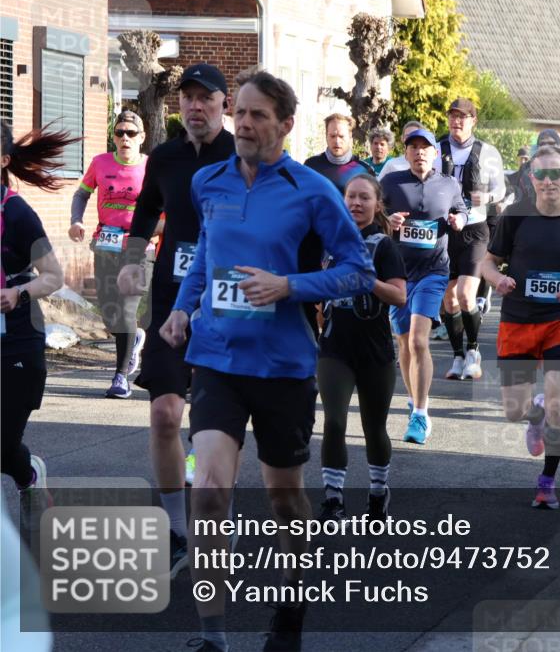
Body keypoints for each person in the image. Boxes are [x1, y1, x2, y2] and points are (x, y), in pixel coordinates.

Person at [159, 69, 375, 652]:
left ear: (285, 124)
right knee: (208, 490)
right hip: (217, 359)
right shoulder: (211, 182)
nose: (247, 124)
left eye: (259, 116)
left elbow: (358, 270)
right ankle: (213, 636)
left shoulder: (313, 190)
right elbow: (205, 256)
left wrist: (289, 286)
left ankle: (291, 611)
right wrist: (183, 308)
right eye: (242, 114)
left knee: (285, 499)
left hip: (283, 366)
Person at [118, 63, 236, 579]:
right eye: (187, 97)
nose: (194, 106)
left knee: (214, 428)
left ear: (223, 104)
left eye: (204, 98)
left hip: (228, 304)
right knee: (165, 414)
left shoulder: (242, 155)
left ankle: (217, 527)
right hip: (169, 300)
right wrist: (132, 258)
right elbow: (146, 211)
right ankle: (177, 529)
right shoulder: (162, 157)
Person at [482, 145, 560, 509]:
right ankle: (533, 415)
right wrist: (497, 281)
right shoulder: (515, 215)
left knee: (559, 403)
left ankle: (547, 481)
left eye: (557, 174)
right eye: (542, 174)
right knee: (514, 409)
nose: (549, 181)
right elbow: (488, 264)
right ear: (531, 178)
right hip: (518, 320)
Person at [317, 175, 406, 523]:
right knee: (335, 421)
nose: (356, 203)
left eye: (364, 198)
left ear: (377, 204)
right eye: (351, 197)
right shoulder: (329, 242)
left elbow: (399, 295)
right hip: (335, 348)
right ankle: (333, 499)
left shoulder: (384, 246)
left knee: (374, 428)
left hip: (375, 350)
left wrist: (366, 280)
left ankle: (378, 493)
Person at [381, 128, 466, 445]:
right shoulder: (391, 182)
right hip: (398, 273)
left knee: (418, 340)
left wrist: (459, 219)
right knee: (403, 343)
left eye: (425, 147)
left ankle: (420, 412)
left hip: (433, 271)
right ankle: (415, 396)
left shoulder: (448, 183)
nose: (419, 152)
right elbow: (376, 214)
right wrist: (387, 220)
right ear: (406, 153)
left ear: (434, 153)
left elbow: (461, 208)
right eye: (413, 147)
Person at [1, 122, 69, 501]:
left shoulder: (17, 213)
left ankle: (27, 471)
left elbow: (54, 276)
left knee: (2, 447)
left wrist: (18, 292)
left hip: (16, 341)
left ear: (3, 159)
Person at [69, 110, 149, 398]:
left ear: (142, 137)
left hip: (139, 247)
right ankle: (134, 338)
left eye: (130, 133)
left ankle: (120, 376)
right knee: (109, 311)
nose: (124, 138)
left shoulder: (151, 168)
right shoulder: (100, 163)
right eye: (119, 133)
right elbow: (81, 193)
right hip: (105, 243)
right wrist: (76, 221)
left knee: (127, 308)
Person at [436, 98, 506, 381]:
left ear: (473, 121)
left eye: (463, 117)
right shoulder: (436, 148)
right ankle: (457, 356)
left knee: (466, 294)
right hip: (444, 229)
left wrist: (486, 198)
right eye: (453, 117)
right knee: (448, 299)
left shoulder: (488, 152)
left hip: (475, 230)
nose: (457, 122)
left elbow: (501, 189)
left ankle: (474, 350)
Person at [303, 113, 374, 193]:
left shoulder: (364, 170)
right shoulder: (311, 166)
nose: (337, 141)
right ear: (326, 136)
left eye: (341, 136)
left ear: (350, 136)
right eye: (332, 136)